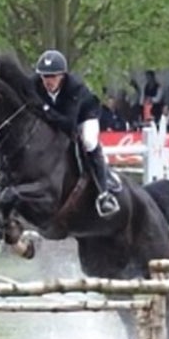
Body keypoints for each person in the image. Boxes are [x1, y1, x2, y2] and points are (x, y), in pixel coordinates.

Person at [31, 49, 121, 217]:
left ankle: (104, 192)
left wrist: (43, 109)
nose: (48, 81)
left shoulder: (74, 87)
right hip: (57, 115)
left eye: (53, 76)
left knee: (88, 141)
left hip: (84, 115)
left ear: (62, 76)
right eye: (45, 76)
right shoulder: (34, 84)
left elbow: (68, 124)